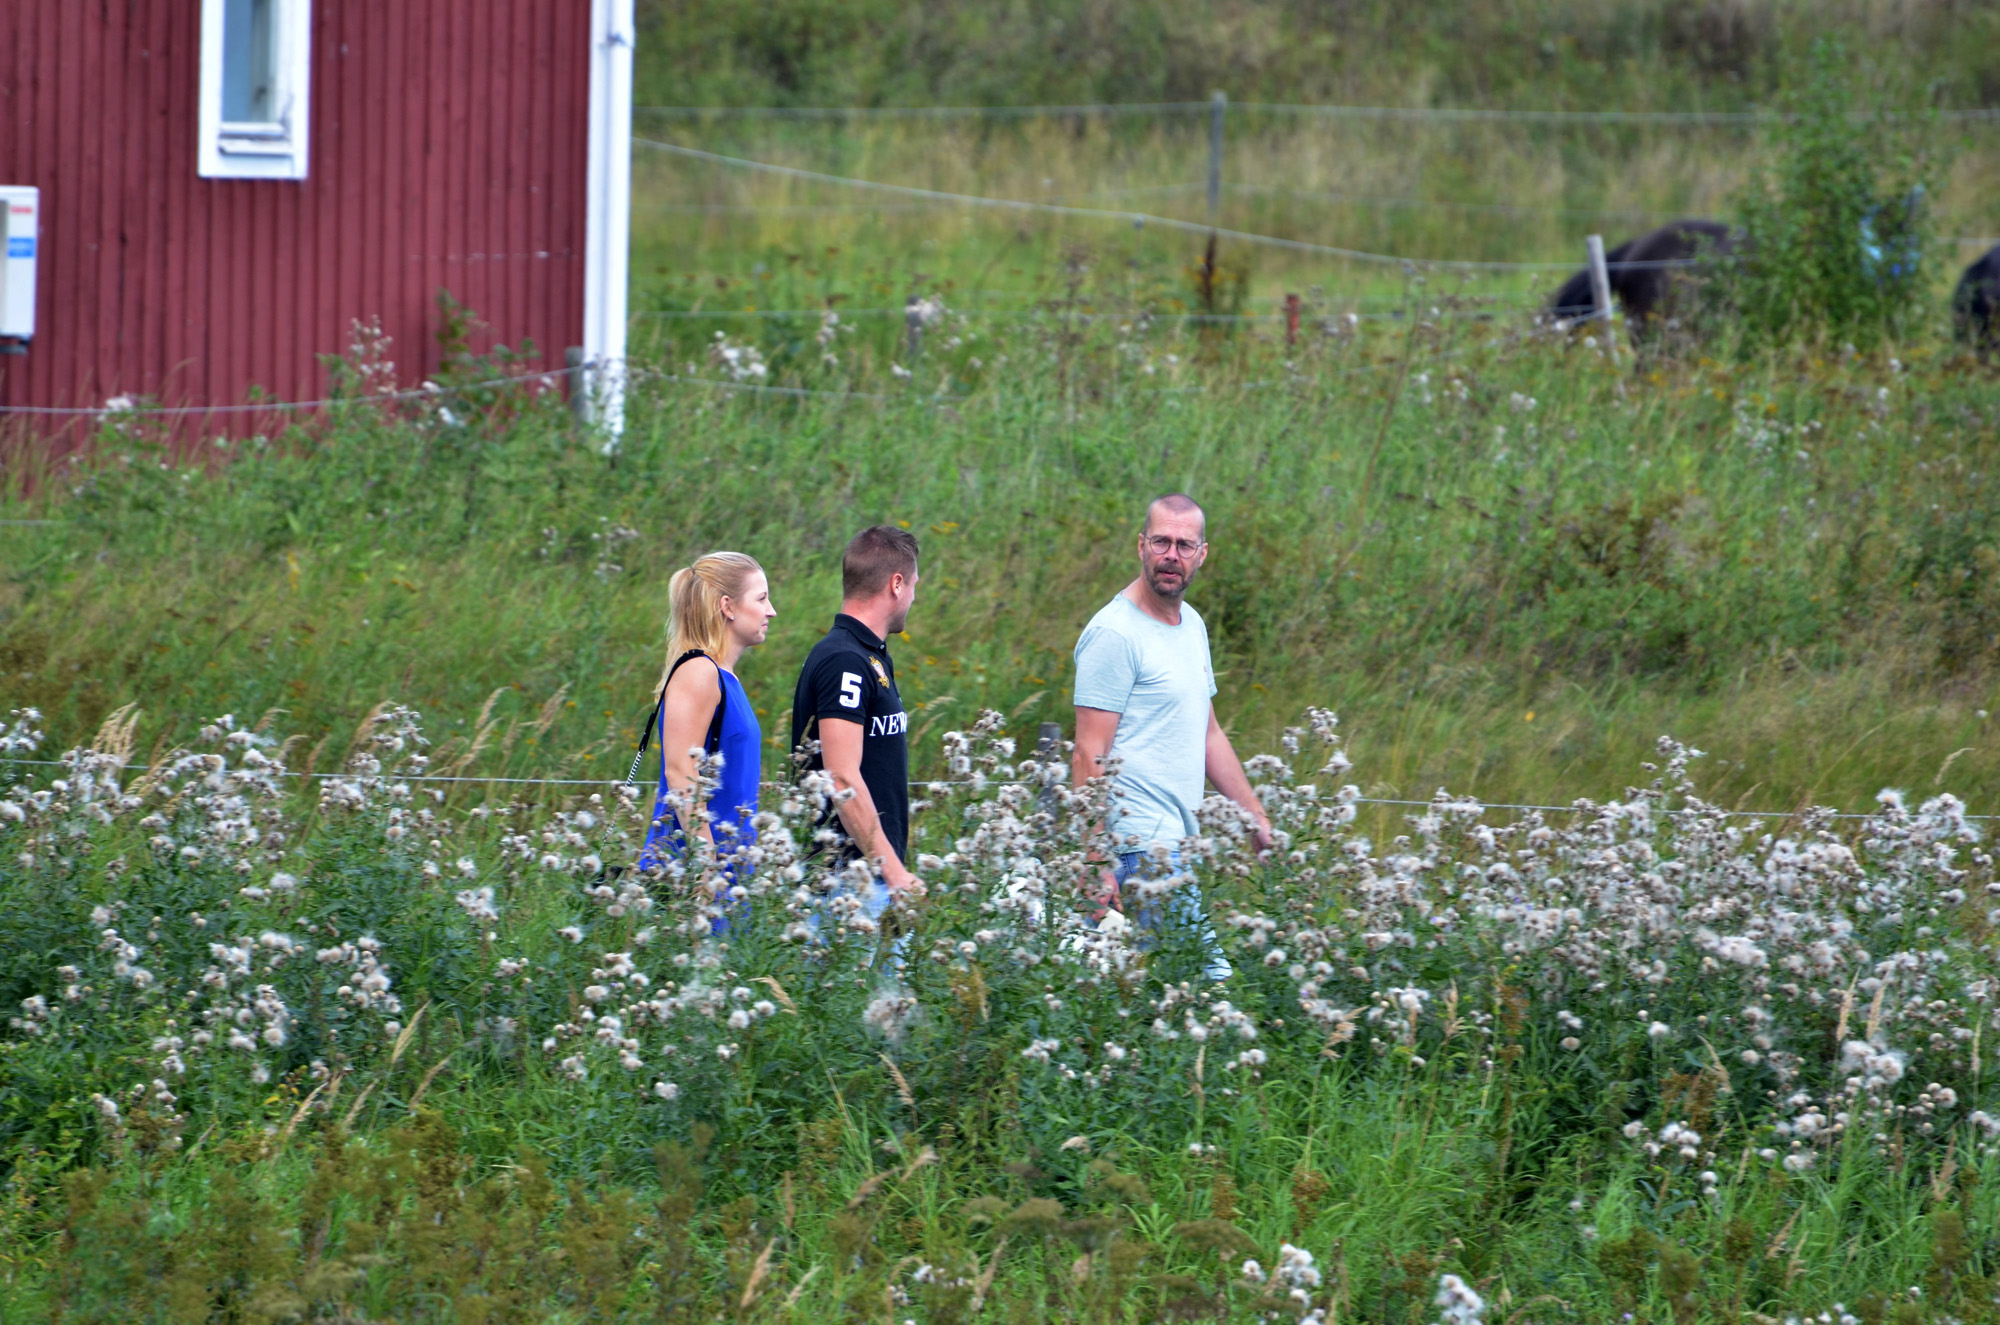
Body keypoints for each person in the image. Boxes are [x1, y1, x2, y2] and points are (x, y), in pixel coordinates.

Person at [1071, 494, 1271, 981]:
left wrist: (1254, 816)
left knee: (1148, 1001)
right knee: (1210, 989)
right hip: (1138, 847)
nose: (1171, 555)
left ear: (1202, 554)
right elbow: (1087, 753)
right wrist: (1095, 856)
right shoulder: (1115, 634)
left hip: (1179, 844)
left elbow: (1209, 734)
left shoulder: (1193, 626)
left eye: (1184, 545)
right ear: (1141, 545)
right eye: (1161, 541)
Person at [790, 526, 925, 932]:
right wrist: (894, 873)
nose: (915, 597)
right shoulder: (843, 660)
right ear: (896, 584)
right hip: (848, 886)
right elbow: (842, 776)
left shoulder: (870, 655)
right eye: (915, 584)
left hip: (872, 878)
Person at [638, 552, 779, 926]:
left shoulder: (724, 678)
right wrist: (705, 870)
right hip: (693, 884)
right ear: (727, 607)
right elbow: (680, 771)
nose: (772, 611)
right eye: (762, 598)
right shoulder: (699, 672)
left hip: (727, 878)